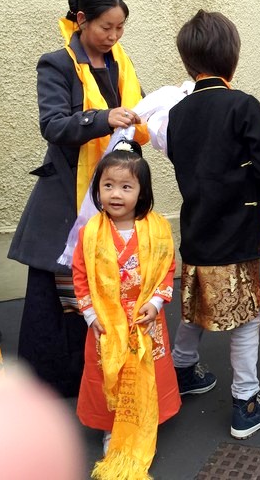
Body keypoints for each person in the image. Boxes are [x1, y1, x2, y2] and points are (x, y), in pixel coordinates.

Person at [8, 0, 147, 397]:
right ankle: (53, 384)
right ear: (82, 20)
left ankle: (106, 371)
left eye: (120, 28)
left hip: (112, 189)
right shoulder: (56, 64)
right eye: (106, 27)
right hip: (69, 194)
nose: (114, 36)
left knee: (107, 284)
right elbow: (52, 125)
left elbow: (135, 116)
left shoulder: (122, 64)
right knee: (59, 292)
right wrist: (104, 119)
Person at [167, 10, 260, 439]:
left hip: (196, 225)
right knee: (246, 318)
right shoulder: (242, 104)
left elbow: (179, 160)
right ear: (232, 57)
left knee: (195, 304)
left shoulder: (178, 112)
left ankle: (181, 371)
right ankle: (245, 400)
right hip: (237, 227)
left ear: (187, 61)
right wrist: (253, 192)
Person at [71, 140, 180, 478]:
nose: (115, 194)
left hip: (145, 319)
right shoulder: (90, 232)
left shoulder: (157, 229)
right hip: (106, 322)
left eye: (126, 186)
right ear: (97, 189)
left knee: (150, 370)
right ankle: (112, 427)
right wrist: (91, 315)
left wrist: (156, 302)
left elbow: (167, 269)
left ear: (142, 191)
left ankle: (146, 419)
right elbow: (80, 275)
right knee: (109, 374)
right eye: (108, 185)